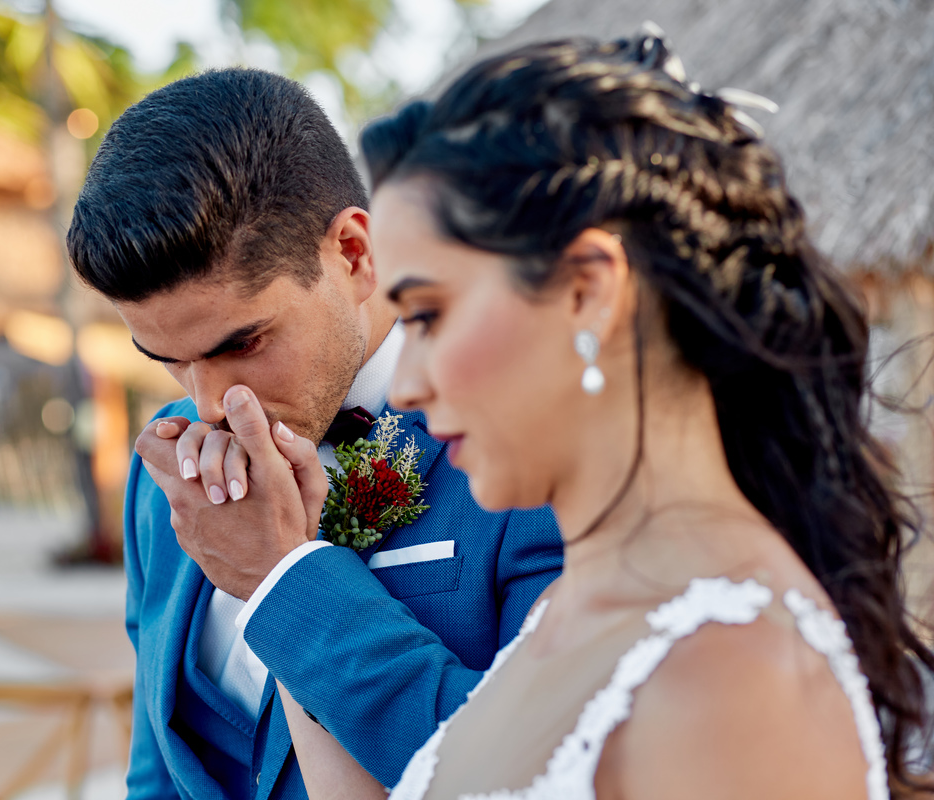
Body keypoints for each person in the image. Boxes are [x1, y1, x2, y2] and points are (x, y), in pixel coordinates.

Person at [246, 32, 934, 800]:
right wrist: (286, 564)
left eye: (430, 316)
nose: (403, 388)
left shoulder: (732, 669)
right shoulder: (569, 618)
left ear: (589, 290)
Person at [65, 67, 563, 800]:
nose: (208, 407)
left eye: (243, 343)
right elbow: (158, 767)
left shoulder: (530, 444)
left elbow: (537, 769)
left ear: (354, 254)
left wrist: (283, 578)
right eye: (170, 361)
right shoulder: (165, 467)